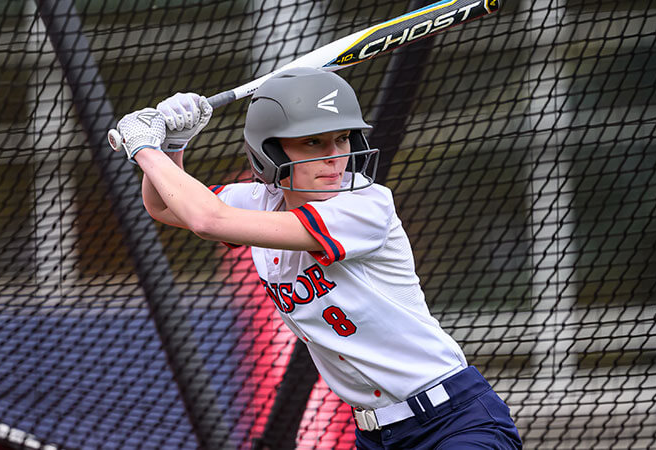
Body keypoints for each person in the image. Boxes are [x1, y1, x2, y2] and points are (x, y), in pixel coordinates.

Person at [109, 67, 522, 449]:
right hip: (378, 435)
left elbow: (206, 219)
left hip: (455, 421)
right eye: (312, 141)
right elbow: (166, 207)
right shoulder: (259, 202)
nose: (333, 156)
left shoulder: (364, 206)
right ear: (270, 153)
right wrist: (175, 146)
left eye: (341, 138)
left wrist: (147, 148)